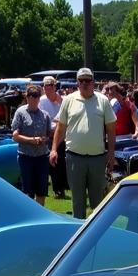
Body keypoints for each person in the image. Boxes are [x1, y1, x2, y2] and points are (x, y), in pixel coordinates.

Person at [50, 67, 116, 219]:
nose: (85, 83)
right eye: (81, 81)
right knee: (77, 201)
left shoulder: (103, 101)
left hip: (97, 158)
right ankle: (79, 236)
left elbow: (111, 130)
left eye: (88, 80)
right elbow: (61, 128)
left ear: (93, 82)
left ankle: (97, 234)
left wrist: (111, 154)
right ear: (77, 83)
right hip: (74, 157)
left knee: (98, 202)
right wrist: (54, 149)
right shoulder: (68, 100)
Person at [11, 84, 51, 206]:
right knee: (28, 190)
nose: (34, 99)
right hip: (26, 157)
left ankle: (40, 215)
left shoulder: (45, 115)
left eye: (36, 96)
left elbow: (49, 135)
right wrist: (30, 140)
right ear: (27, 97)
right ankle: (29, 215)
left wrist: (44, 139)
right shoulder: (21, 112)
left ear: (39, 98)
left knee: (41, 190)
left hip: (42, 157)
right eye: (31, 96)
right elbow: (15, 135)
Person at [39, 76, 67, 198]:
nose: (47, 88)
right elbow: (42, 118)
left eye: (50, 86)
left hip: (62, 135)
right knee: (53, 163)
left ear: (55, 87)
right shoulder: (42, 100)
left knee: (62, 163)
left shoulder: (63, 100)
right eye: (45, 86)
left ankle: (63, 187)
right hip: (49, 134)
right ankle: (58, 189)